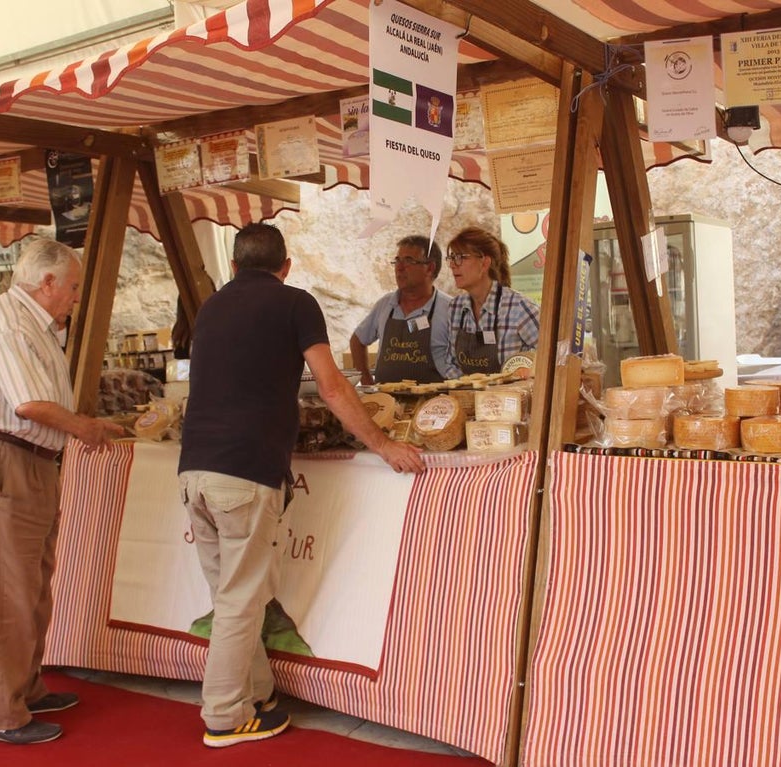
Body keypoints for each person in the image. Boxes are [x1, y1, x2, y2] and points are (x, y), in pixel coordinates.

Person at [178, 223, 424, 748]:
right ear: (285, 267)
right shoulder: (296, 303)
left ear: (234, 266)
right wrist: (382, 443)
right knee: (240, 599)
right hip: (244, 471)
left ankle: (258, 692)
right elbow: (331, 386)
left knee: (231, 595)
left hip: (193, 469)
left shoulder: (211, 307)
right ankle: (223, 715)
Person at [0, 238, 125, 746]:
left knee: (32, 582)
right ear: (47, 282)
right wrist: (84, 427)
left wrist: (77, 426)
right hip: (6, 458)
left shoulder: (33, 323)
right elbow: (28, 404)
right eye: (72, 286)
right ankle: (2, 714)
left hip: (30, 459)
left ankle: (26, 687)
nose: (76, 296)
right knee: (11, 590)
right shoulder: (9, 323)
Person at [349, 235, 451, 385]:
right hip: (386, 398)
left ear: (430, 268)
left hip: (434, 399)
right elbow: (357, 340)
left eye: (408, 261)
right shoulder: (385, 305)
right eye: (397, 260)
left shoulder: (450, 309)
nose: (399, 267)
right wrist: (366, 381)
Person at [443, 227, 541, 377]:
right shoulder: (456, 308)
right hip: (468, 392)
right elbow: (451, 364)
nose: (452, 264)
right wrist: (466, 387)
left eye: (460, 257)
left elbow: (552, 356)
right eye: (452, 257)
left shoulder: (518, 308)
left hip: (512, 392)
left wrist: (528, 370)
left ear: (484, 263)